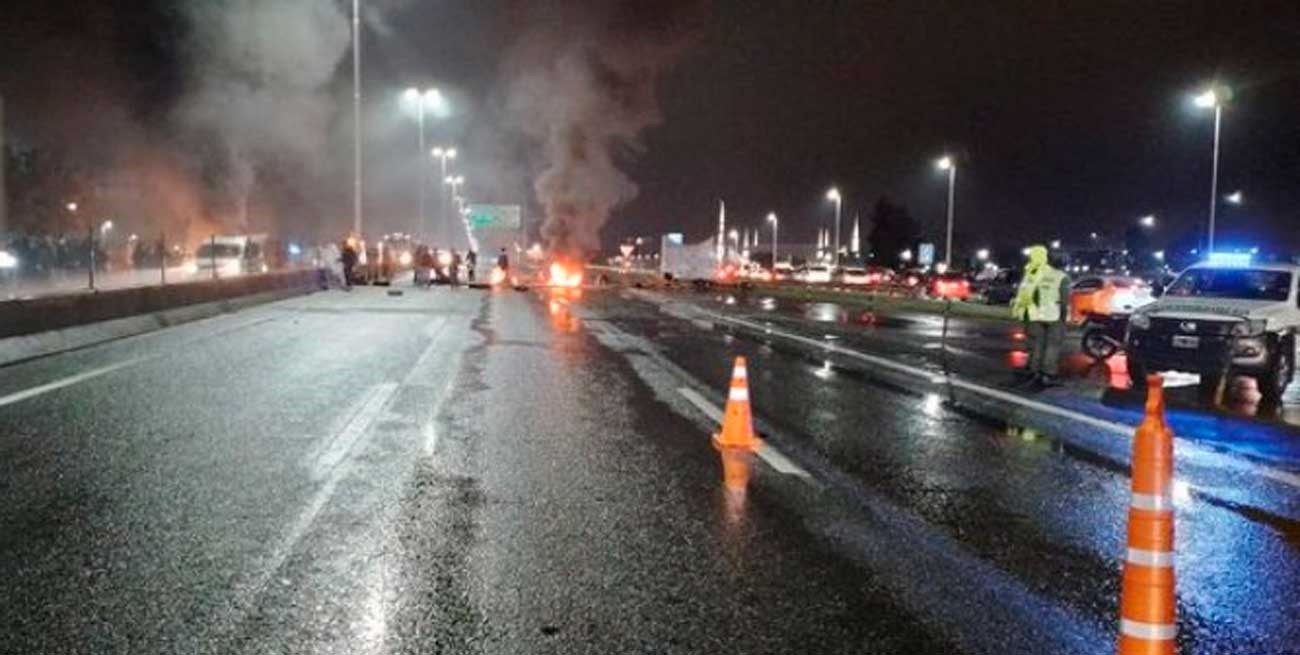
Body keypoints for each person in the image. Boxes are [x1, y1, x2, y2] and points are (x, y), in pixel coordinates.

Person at [1012, 244, 1070, 388]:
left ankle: (1034, 370)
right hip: (1053, 314)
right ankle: (1047, 374)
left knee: (1037, 344)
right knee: (1052, 345)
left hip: (1036, 314)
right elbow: (1064, 301)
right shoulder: (1062, 277)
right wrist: (1064, 318)